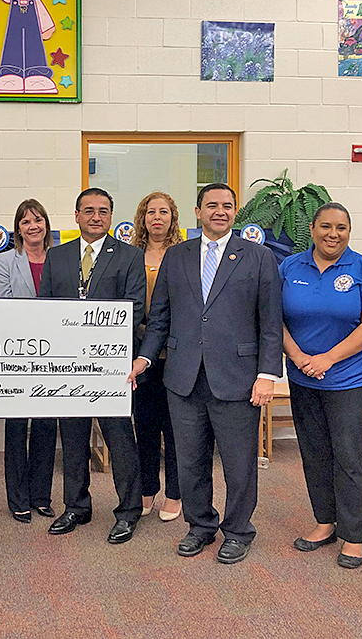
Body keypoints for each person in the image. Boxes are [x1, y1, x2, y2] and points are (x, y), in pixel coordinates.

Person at [129, 182, 283, 564]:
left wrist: (268, 373)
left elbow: (271, 321)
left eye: (227, 206)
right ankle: (200, 526)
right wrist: (145, 359)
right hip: (183, 378)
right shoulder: (176, 256)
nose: (220, 211)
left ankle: (238, 531)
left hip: (238, 377)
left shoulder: (258, 257)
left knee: (238, 463)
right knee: (190, 458)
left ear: (235, 212)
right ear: (198, 212)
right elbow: (160, 317)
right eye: (211, 205)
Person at [279, 202, 362, 569]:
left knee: (349, 458)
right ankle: (325, 522)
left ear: (349, 232)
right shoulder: (290, 267)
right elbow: (273, 317)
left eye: (341, 227)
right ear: (311, 228)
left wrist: (327, 359)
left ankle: (353, 536)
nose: (333, 234)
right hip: (302, 377)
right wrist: (296, 356)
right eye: (326, 226)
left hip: (349, 381)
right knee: (314, 453)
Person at [39, 188, 145, 545]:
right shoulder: (58, 256)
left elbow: (134, 308)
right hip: (68, 366)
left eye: (103, 211)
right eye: (89, 211)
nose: (96, 216)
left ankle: (128, 511)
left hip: (111, 365)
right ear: (76, 215)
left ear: (111, 217)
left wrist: (94, 336)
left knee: (120, 440)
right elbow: (46, 307)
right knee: (72, 438)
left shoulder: (130, 256)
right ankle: (76, 506)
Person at [0, 199, 58, 524]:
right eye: (25, 221)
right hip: (16, 352)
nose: (33, 226)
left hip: (54, 353)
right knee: (17, 427)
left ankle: (41, 496)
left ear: (46, 224)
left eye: (38, 220)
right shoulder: (5, 260)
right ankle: (18, 498)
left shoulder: (61, 258)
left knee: (47, 424)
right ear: (17, 228)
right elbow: (2, 303)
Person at [130, 192, 184, 522]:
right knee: (146, 426)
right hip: (140, 352)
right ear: (143, 217)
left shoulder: (182, 255)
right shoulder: (131, 255)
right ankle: (147, 488)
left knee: (175, 428)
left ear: (173, 217)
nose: (157, 218)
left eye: (164, 212)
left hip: (176, 354)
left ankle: (176, 493)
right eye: (151, 212)